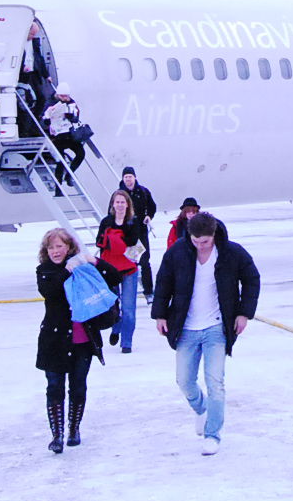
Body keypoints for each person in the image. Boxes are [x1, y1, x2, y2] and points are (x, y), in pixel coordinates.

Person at [152, 212, 260, 456]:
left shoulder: (232, 252)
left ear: (214, 235)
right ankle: (202, 409)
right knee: (184, 381)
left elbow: (252, 279)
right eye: (196, 241)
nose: (200, 246)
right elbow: (163, 283)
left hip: (216, 328)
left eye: (205, 242)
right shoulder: (177, 253)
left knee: (215, 382)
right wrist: (160, 315)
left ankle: (213, 434)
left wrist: (244, 313)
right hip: (187, 328)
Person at [35, 227, 105, 454]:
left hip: (82, 338)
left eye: (60, 246)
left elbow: (112, 276)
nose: (55, 251)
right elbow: (51, 290)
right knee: (54, 386)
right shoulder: (45, 271)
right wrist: (68, 268)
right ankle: (57, 435)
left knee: (78, 386)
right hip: (54, 339)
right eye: (51, 247)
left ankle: (74, 428)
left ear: (69, 248)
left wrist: (92, 260)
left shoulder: (81, 268)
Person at [96, 189, 149, 352]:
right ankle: (116, 328)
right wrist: (115, 240)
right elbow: (99, 242)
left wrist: (114, 238)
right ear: (112, 204)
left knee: (129, 308)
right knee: (113, 305)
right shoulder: (106, 222)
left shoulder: (133, 221)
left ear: (127, 204)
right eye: (117, 202)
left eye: (122, 202)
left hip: (128, 269)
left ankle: (127, 342)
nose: (119, 205)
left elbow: (133, 241)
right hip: (110, 269)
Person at [122, 168, 158, 301]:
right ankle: (129, 293)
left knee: (145, 261)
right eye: (126, 177)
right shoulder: (120, 194)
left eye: (130, 176)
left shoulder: (143, 191)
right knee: (130, 262)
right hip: (128, 234)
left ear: (135, 177)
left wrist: (149, 216)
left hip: (141, 233)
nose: (128, 179)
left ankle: (149, 292)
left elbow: (152, 206)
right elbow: (112, 211)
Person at [44, 91, 86, 172]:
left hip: (69, 135)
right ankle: (58, 182)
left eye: (66, 96)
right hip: (57, 136)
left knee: (81, 154)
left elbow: (76, 118)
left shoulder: (71, 103)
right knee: (60, 160)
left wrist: (71, 116)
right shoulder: (50, 103)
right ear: (57, 95)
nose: (64, 98)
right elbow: (44, 118)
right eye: (62, 96)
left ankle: (70, 173)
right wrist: (48, 119)